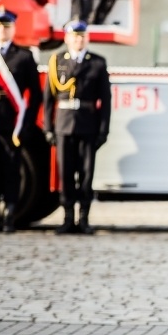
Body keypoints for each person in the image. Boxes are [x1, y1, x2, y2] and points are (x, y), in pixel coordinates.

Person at [43, 20, 111, 235]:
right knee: (65, 173)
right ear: (67, 38)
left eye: (82, 36)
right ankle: (67, 218)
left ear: (87, 38)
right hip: (63, 124)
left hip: (88, 124)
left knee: (86, 174)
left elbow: (105, 101)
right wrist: (48, 127)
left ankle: (84, 219)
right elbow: (48, 99)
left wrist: (103, 129)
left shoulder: (97, 63)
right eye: (74, 36)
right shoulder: (57, 61)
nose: (78, 40)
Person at [0, 9, 30, 233]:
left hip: (11, 121)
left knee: (11, 168)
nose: (3, 30)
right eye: (0, 26)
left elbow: (35, 94)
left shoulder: (23, 56)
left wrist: (25, 125)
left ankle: (9, 213)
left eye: (7, 26)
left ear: (14, 28)